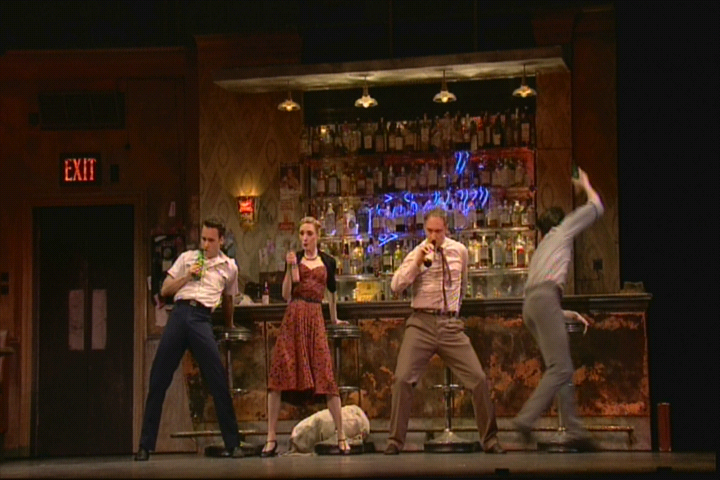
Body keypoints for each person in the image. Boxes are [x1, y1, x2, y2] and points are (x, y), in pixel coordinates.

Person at [384, 209, 505, 455]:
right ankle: (395, 441)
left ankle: (490, 440)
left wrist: (453, 313)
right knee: (402, 378)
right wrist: (417, 263)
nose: (433, 236)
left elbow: (462, 284)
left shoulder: (460, 251)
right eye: (429, 231)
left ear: (446, 230)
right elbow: (396, 286)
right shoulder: (416, 252)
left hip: (449, 324)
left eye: (438, 231)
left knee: (478, 379)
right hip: (421, 322)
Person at [135, 217, 243, 460]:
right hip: (180, 313)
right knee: (158, 378)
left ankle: (233, 444)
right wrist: (187, 276)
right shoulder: (187, 258)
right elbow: (165, 289)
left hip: (202, 317)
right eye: (203, 239)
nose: (206, 244)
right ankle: (145, 446)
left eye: (211, 240)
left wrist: (229, 324)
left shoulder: (229, 267)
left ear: (221, 241)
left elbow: (228, 299)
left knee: (217, 380)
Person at [512, 167, 603, 452]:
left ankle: (574, 430)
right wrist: (585, 184)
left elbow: (538, 296)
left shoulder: (541, 249)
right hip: (544, 301)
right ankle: (526, 419)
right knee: (561, 367)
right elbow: (597, 207)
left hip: (532, 305)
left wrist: (565, 314)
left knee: (559, 368)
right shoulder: (562, 232)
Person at [261, 216, 350, 457]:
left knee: (325, 375)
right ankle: (270, 438)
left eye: (309, 233)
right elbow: (286, 294)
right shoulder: (295, 259)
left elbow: (332, 292)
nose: (305, 238)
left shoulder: (328, 261)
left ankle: (341, 435)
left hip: (315, 317)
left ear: (317, 236)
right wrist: (290, 267)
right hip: (294, 316)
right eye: (302, 233)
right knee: (279, 375)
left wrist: (334, 319)